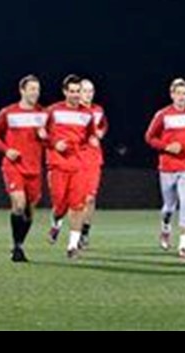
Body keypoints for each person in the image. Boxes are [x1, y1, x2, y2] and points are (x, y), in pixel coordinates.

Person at [0, 75, 47, 262]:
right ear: (22, 90)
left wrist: (45, 136)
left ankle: (19, 244)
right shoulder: (8, 112)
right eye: (31, 89)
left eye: (37, 89)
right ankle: (17, 247)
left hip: (34, 169)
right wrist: (6, 150)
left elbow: (52, 142)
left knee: (29, 211)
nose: (35, 93)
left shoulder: (43, 115)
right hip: (14, 166)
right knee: (19, 205)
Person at [144, 78, 185, 259]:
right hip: (168, 166)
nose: (181, 97)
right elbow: (149, 137)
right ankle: (165, 227)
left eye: (184, 93)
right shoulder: (163, 115)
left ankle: (183, 246)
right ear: (172, 94)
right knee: (169, 207)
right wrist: (166, 147)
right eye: (178, 93)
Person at [42, 74, 98, 259]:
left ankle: (72, 246)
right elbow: (41, 134)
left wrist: (92, 139)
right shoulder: (52, 111)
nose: (75, 95)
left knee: (77, 206)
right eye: (72, 91)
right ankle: (56, 222)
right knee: (60, 205)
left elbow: (90, 135)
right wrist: (54, 143)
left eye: (78, 91)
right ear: (65, 91)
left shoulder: (87, 114)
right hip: (57, 166)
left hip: (78, 166)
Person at [77, 79, 108, 250]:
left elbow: (103, 125)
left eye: (91, 91)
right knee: (74, 200)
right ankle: (58, 221)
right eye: (85, 91)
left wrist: (100, 134)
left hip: (93, 160)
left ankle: (84, 233)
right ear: (78, 92)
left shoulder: (98, 110)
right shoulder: (72, 112)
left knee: (89, 199)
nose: (88, 94)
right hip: (74, 160)